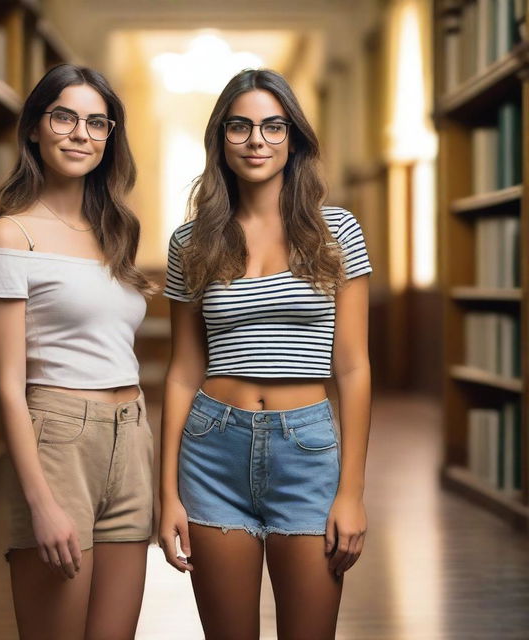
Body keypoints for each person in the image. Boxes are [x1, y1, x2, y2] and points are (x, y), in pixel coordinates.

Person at [159, 68, 372, 640]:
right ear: (221, 140)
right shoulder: (191, 241)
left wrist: (350, 492)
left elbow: (352, 368)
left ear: (294, 140)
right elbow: (182, 372)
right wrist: (167, 495)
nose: (257, 140)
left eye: (274, 127)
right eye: (241, 126)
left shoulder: (337, 232)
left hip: (307, 453)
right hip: (211, 451)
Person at [0, 63, 155, 640]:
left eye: (97, 123)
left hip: (132, 435)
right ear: (34, 128)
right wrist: (41, 502)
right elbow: (7, 384)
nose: (81, 133)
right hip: (57, 440)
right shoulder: (11, 235)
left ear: (110, 138)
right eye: (65, 117)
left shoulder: (118, 231)